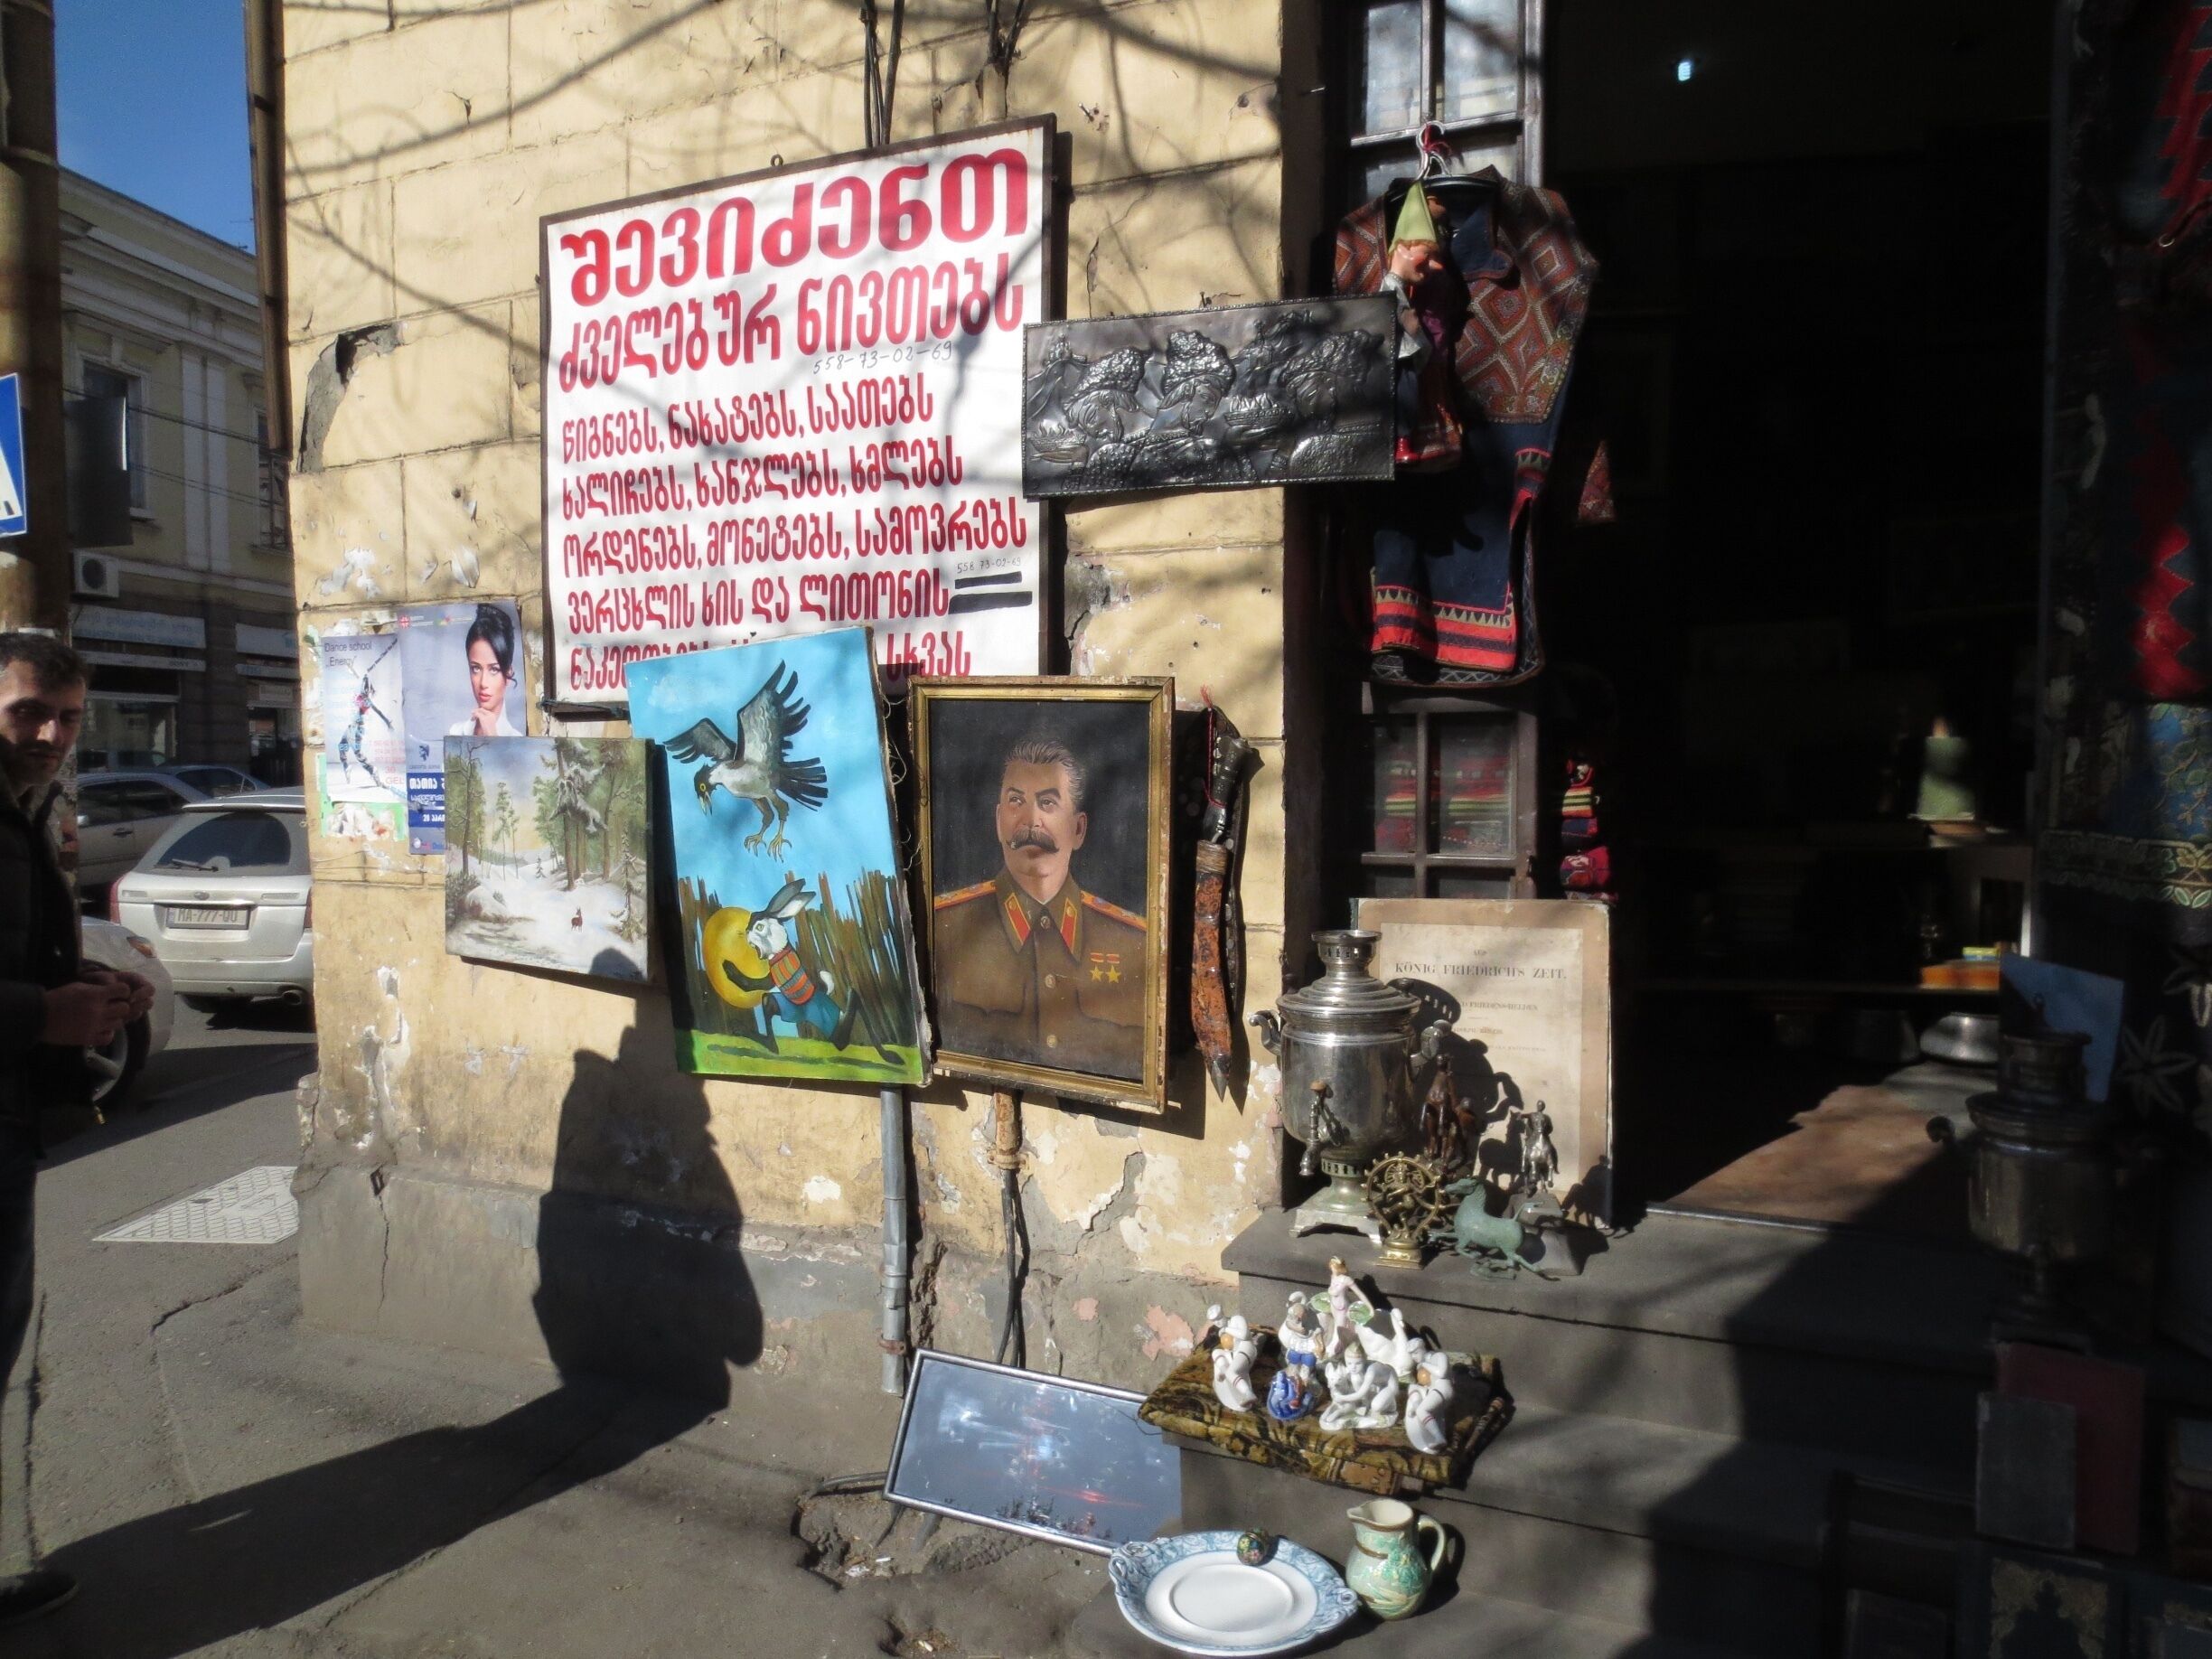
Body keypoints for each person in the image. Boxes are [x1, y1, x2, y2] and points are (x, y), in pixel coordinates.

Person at [0, 632, 154, 1628]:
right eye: (27, 713)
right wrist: (39, 1014)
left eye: (67, 718)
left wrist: (87, 984)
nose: (52, 736)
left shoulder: (26, 807)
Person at [932, 735, 1145, 1080]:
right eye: (1016, 801)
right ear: (998, 820)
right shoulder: (944, 927)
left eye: (1047, 803)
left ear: (1078, 829)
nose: (1031, 822)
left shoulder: (1134, 941)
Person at [445, 605, 520, 737]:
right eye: (476, 668)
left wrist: (493, 740)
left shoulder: (517, 739)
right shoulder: (456, 732)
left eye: (494, 670)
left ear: (508, 673)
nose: (483, 683)